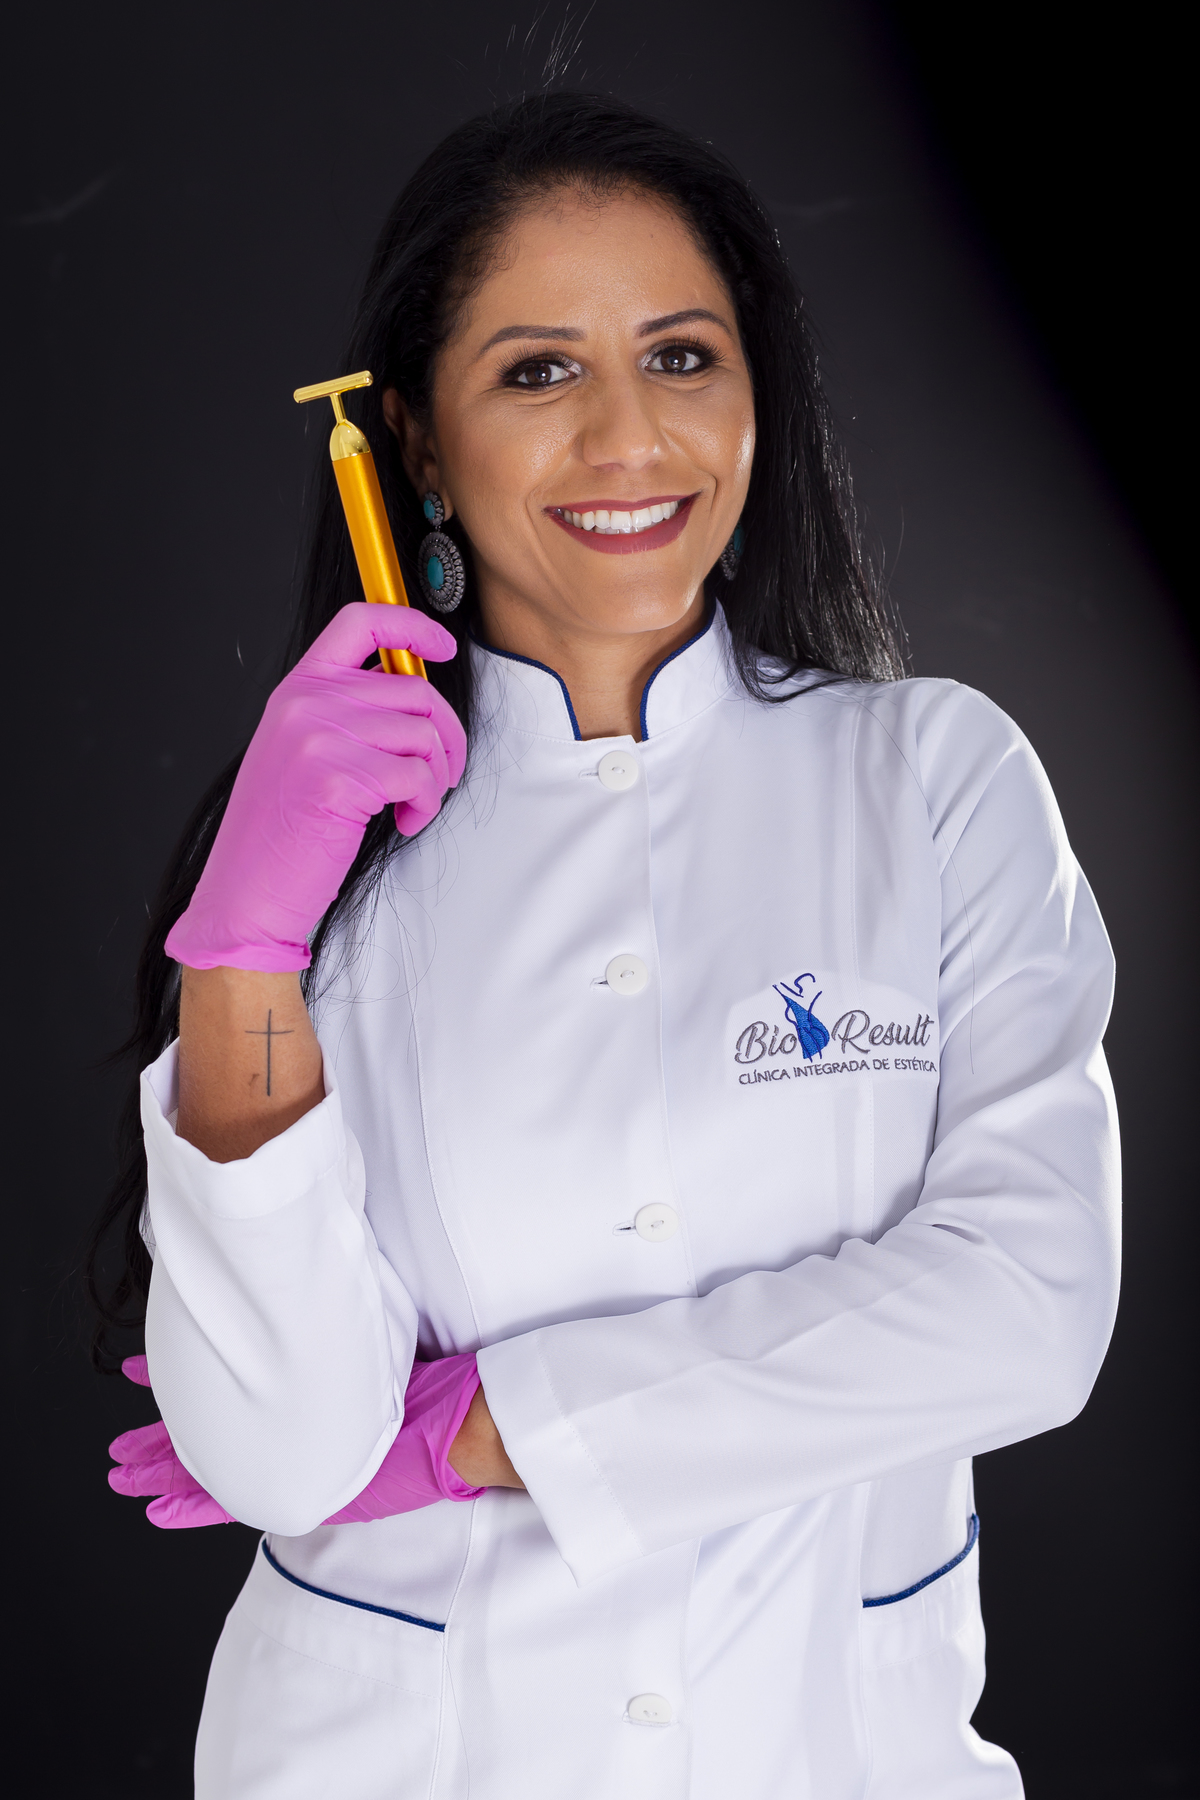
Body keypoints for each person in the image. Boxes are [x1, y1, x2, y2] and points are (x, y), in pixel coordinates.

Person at [89, 92, 1120, 1799]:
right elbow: (281, 1453)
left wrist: (481, 1430)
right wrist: (245, 947)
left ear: (757, 396)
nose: (630, 435)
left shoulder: (937, 781)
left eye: (683, 356)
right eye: (539, 371)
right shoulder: (310, 860)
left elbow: (1027, 1309)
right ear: (418, 442)